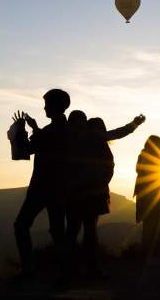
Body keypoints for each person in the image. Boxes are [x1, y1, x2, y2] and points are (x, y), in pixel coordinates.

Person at [67, 114, 145, 275]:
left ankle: (70, 267)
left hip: (75, 191)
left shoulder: (75, 140)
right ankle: (90, 267)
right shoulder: (96, 138)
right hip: (92, 192)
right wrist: (135, 123)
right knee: (89, 230)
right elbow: (118, 132)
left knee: (73, 230)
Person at [12, 89, 72, 277]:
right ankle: (65, 273)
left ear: (55, 106)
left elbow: (26, 150)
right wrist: (34, 128)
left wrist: (21, 130)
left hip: (42, 187)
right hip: (60, 187)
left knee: (21, 225)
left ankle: (28, 269)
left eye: (47, 104)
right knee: (57, 230)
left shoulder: (51, 131)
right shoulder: (66, 130)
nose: (44, 107)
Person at [134, 135, 160, 259]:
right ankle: (155, 252)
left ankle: (150, 252)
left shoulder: (143, 156)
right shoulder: (155, 158)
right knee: (157, 223)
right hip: (157, 193)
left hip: (146, 193)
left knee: (150, 223)